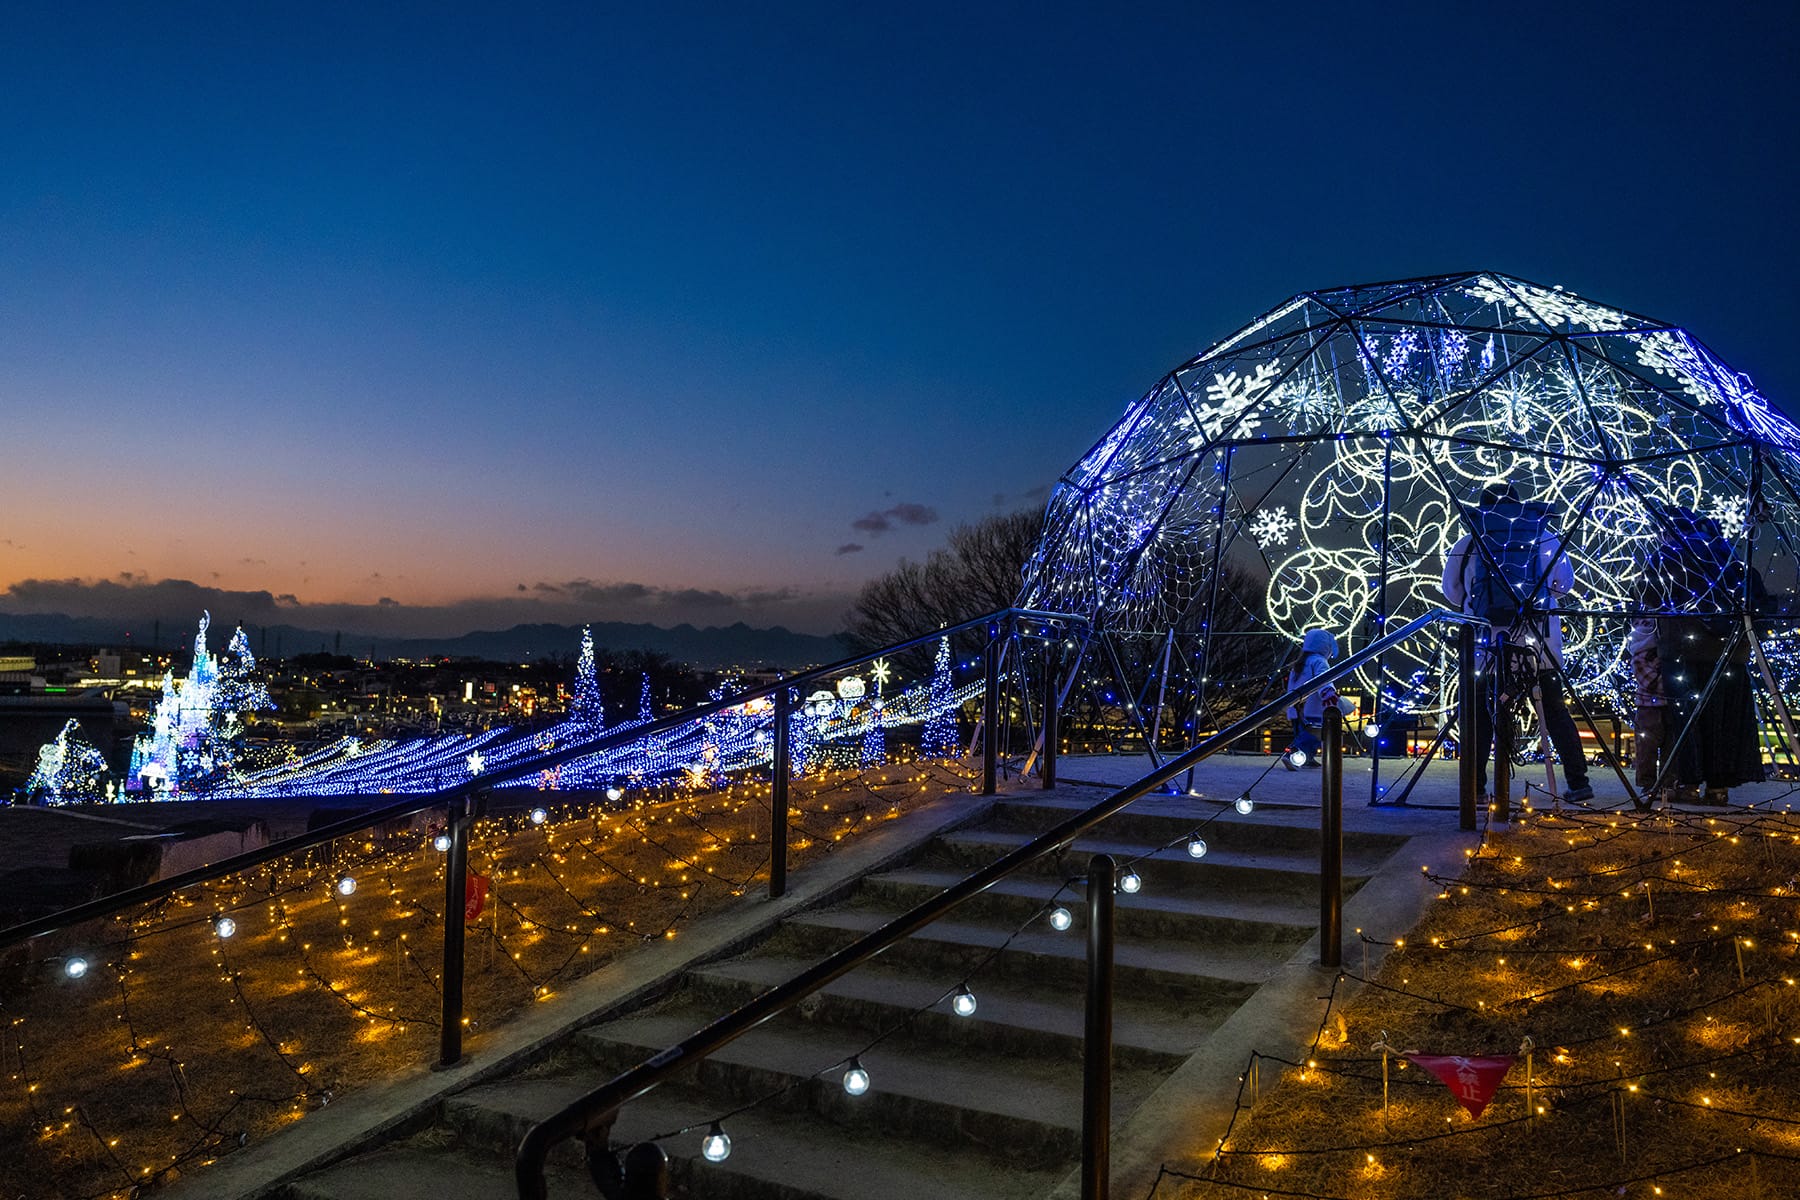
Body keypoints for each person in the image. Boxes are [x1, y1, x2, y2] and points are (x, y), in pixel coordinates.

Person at [1441, 483, 1594, 806]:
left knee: (1480, 715)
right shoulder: (1543, 535)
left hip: (1487, 646)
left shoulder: (1468, 541)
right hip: (1539, 645)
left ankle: (1476, 787)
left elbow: (1452, 593)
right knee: (1554, 712)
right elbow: (1564, 584)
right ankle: (1578, 782)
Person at [1654, 513, 1764, 805]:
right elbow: (1755, 595)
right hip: (1729, 653)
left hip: (1682, 650)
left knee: (1687, 720)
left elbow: (1647, 593)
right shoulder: (1727, 553)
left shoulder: (1670, 554)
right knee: (1723, 722)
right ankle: (1718, 788)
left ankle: (1688, 784)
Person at [1283, 628, 1345, 769]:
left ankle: (1307, 758)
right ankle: (1293, 756)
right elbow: (1323, 678)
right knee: (1314, 734)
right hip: (1313, 707)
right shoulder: (1319, 661)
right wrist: (1328, 692)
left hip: (1297, 707)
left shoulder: (1300, 663)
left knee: (1301, 733)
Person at [1626, 614, 1667, 810]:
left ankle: (1667, 782)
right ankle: (1647, 783)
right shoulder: (1640, 657)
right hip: (1648, 707)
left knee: (1669, 746)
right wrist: (1670, 683)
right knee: (1646, 748)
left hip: (1664, 706)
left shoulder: (1661, 654)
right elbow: (1649, 682)